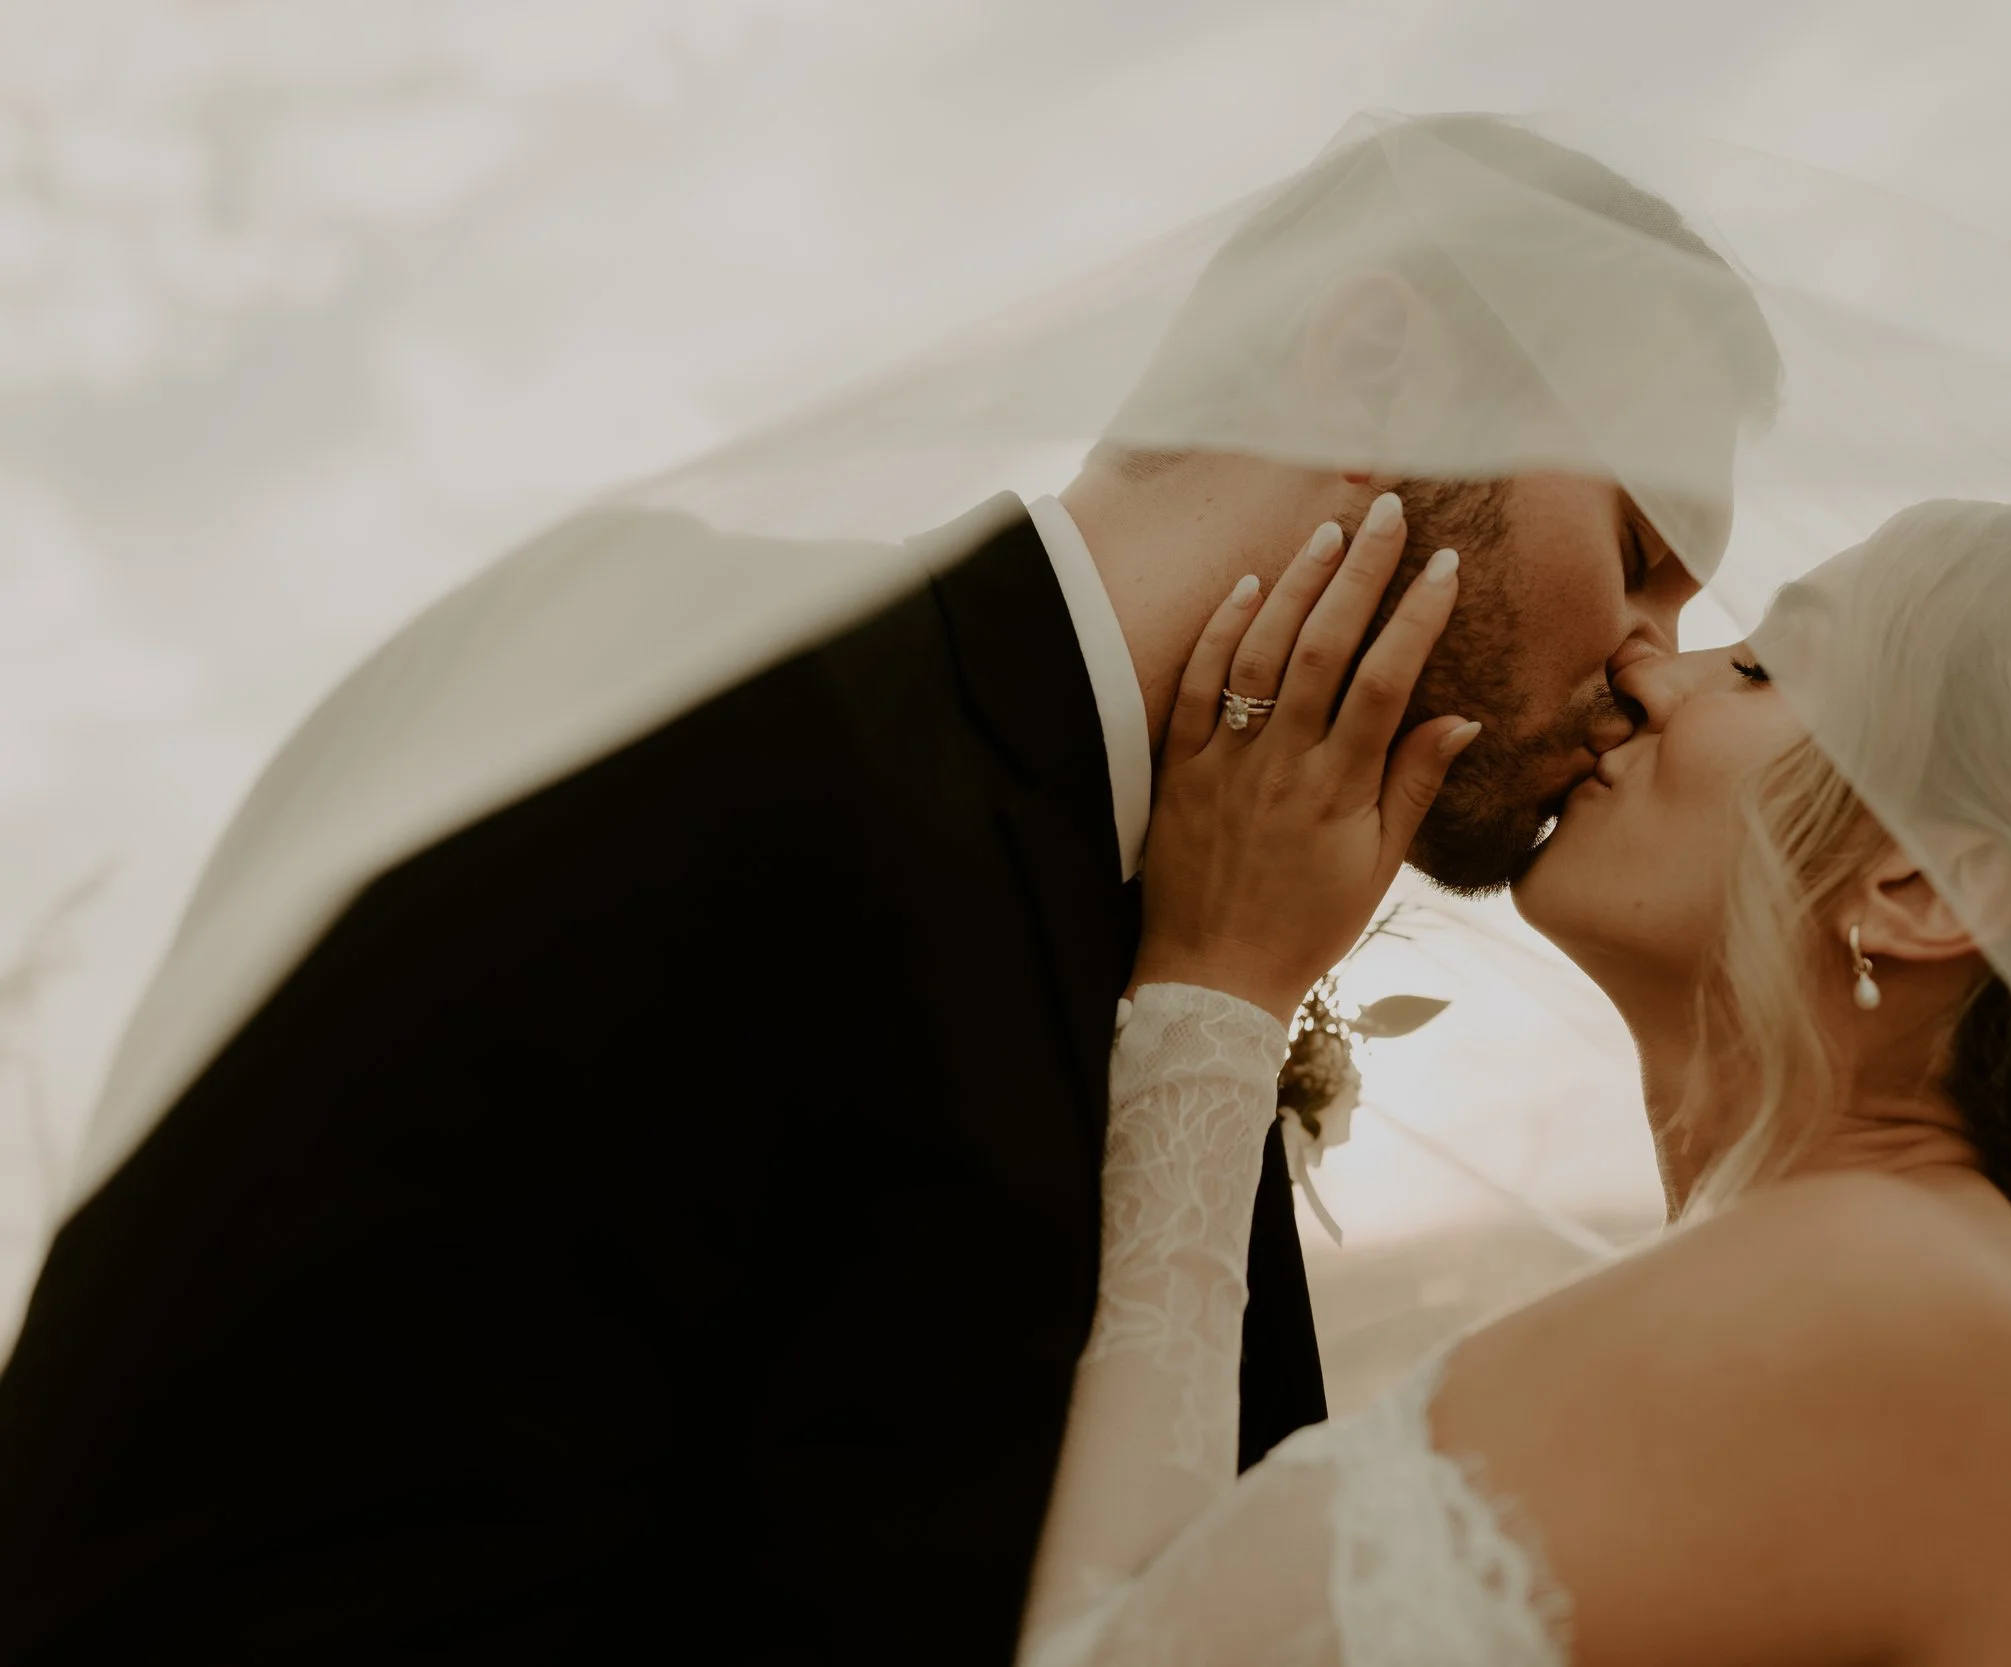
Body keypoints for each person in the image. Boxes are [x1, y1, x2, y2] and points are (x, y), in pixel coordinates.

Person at [0, 118, 1774, 1660]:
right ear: (1376, 375)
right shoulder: (696, 679)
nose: (1652, 665)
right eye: (1636, 553)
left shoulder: (1210, 967)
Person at [1016, 497, 2011, 1665]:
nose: (1653, 664)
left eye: (1764, 667)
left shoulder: (1894, 1309)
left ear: (1920, 887)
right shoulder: (1928, 1307)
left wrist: (1215, 986)